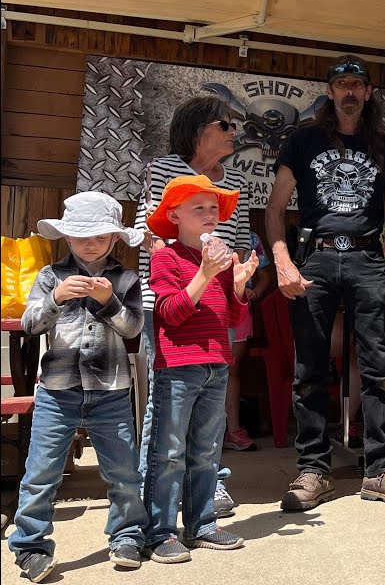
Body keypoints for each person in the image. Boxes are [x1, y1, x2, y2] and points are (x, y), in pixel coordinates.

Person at [265, 55, 385, 512]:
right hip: (314, 256)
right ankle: (314, 470)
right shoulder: (303, 140)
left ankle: (380, 470)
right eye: (341, 84)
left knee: (378, 367)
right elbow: (276, 208)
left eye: (357, 84)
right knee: (309, 367)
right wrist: (283, 262)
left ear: (368, 93)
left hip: (368, 258)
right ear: (330, 92)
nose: (349, 91)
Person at [10, 193, 148, 581]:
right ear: (66, 236)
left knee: (122, 470)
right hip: (58, 390)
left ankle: (127, 535)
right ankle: (31, 546)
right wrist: (55, 298)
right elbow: (29, 325)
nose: (91, 243)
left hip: (112, 389)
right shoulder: (50, 276)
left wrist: (109, 302)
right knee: (41, 472)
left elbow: (133, 329)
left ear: (114, 238)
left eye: (101, 235)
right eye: (82, 235)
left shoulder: (125, 279)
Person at [134, 95, 251, 518]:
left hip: (218, 302)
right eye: (224, 124)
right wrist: (181, 258)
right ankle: (153, 494)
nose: (233, 131)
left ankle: (210, 487)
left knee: (209, 411)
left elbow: (239, 238)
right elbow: (146, 228)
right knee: (166, 405)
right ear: (198, 129)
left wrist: (239, 277)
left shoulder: (234, 176)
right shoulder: (163, 169)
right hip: (167, 301)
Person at [144, 175, 255, 562]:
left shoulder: (220, 260)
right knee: (169, 450)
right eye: (200, 208)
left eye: (214, 208)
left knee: (207, 450)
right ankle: (159, 531)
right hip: (178, 368)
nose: (210, 215)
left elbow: (233, 315)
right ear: (173, 216)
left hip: (215, 364)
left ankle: (201, 524)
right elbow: (170, 314)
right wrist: (205, 273)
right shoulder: (165, 257)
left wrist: (238, 285)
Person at [224, 231, 269, 452]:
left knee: (232, 369)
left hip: (240, 308)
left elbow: (265, 277)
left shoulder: (251, 238)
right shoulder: (199, 231)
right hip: (207, 306)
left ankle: (233, 430)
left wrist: (255, 293)